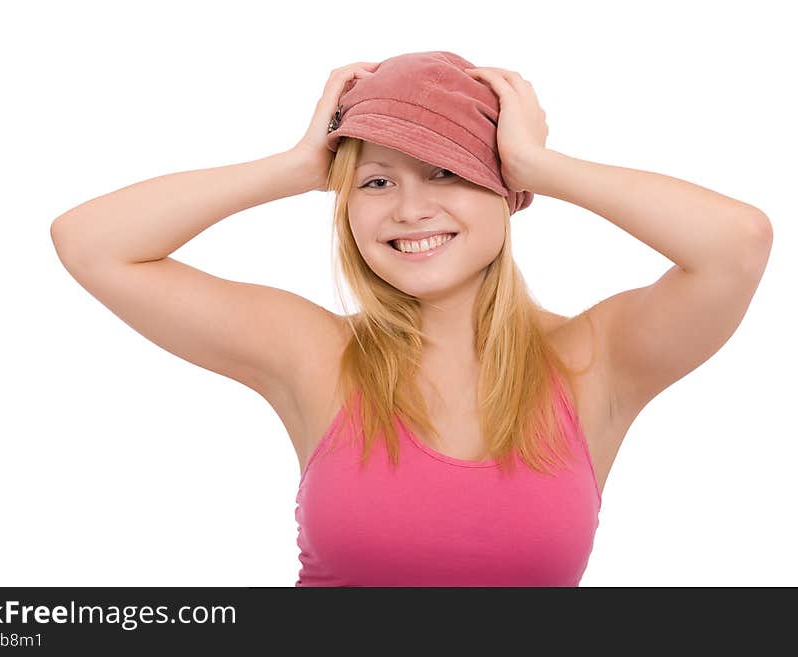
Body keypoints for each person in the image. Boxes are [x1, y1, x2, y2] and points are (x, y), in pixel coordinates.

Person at [50, 51, 772, 586]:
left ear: (506, 190)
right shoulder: (317, 355)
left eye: (447, 171)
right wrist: (302, 163)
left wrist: (537, 163)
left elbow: (736, 245)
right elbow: (91, 243)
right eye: (375, 180)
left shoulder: (595, 360)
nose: (408, 208)